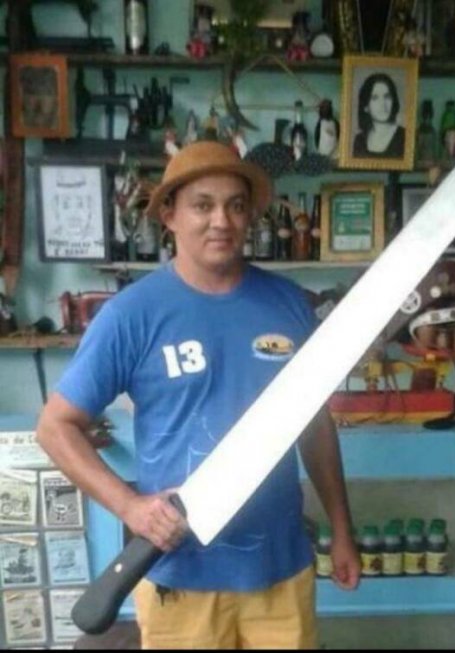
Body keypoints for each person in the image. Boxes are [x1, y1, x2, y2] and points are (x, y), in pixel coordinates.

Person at [36, 141, 361, 649]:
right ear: (170, 215)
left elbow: (315, 427)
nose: (221, 221)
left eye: (236, 205)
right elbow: (55, 427)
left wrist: (342, 529)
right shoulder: (132, 314)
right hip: (180, 578)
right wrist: (130, 507)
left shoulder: (289, 305)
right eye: (202, 205)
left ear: (250, 216)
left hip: (280, 571)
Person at [352, 72, 405, 158]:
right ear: (366, 106)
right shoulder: (360, 140)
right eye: (375, 98)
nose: (382, 104)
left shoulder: (404, 136)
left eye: (387, 97)